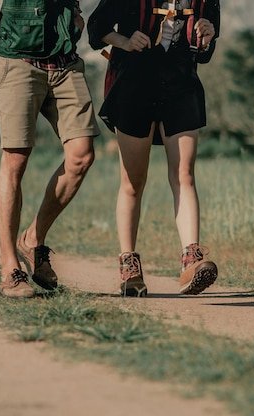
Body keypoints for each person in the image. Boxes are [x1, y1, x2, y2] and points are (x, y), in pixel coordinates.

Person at [87, 0, 220, 296]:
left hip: (181, 83)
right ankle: (129, 266)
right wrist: (125, 40)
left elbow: (205, 52)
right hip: (134, 83)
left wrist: (207, 37)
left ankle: (191, 260)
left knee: (184, 174)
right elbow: (96, 28)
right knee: (133, 182)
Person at [0, 0, 100, 298]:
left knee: (81, 156)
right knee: (15, 159)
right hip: (18, 59)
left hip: (65, 62)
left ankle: (32, 239)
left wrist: (76, 15)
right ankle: (10, 269)